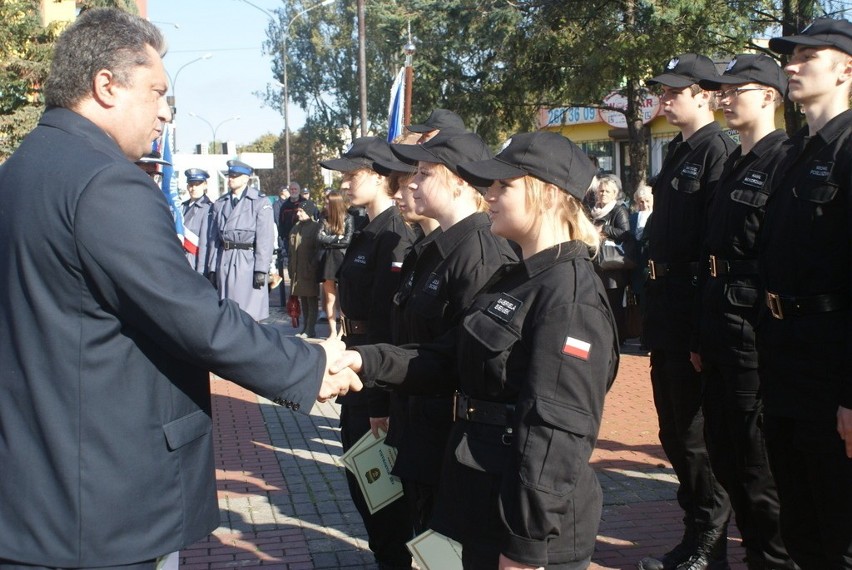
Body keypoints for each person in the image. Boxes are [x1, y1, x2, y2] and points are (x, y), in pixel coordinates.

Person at [0, 9, 359, 569]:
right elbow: (191, 313)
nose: (167, 110)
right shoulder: (105, 182)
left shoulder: (23, 169)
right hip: (101, 504)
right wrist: (307, 365)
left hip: (37, 492)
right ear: (106, 86)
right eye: (157, 91)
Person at [335, 131, 619, 569]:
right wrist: (364, 360)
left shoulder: (570, 296)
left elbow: (556, 434)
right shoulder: (519, 279)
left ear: (547, 195)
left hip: (524, 528)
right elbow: (447, 357)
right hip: (482, 498)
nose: (489, 194)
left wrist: (525, 546)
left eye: (504, 185)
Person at [385, 131, 519, 534]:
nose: (411, 182)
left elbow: (473, 361)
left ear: (461, 180)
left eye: (425, 172)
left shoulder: (481, 253)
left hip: (449, 441)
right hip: (422, 430)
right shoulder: (438, 248)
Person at [691, 54, 796, 570]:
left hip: (753, 337)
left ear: (770, 96)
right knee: (727, 458)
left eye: (738, 89)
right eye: (722, 90)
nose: (725, 97)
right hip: (718, 331)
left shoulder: (784, 159)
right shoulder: (734, 160)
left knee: (759, 472)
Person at [758, 18, 852, 569]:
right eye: (788, 56)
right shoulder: (797, 154)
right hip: (787, 360)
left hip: (832, 363)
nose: (791, 65)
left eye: (807, 56)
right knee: (799, 522)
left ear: (846, 69)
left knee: (840, 528)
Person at [639, 54, 736, 570]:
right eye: (664, 90)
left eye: (676, 91)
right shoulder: (677, 150)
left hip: (691, 307)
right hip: (665, 311)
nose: (666, 98)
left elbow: (711, 247)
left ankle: (711, 541)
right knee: (673, 432)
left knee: (697, 436)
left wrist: (703, 328)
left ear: (704, 94)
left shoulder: (717, 150)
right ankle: (694, 528)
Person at [319, 137, 417, 570]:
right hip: (358, 370)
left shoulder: (394, 233)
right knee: (366, 485)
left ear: (379, 176)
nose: (343, 180)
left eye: (351, 172)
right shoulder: (369, 229)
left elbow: (388, 322)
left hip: (375, 380)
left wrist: (379, 399)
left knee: (382, 495)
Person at [207, 159, 275, 321]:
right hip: (225, 258)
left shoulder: (259, 202)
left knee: (248, 312)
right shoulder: (220, 203)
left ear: (246, 179)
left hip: (247, 261)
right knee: (227, 311)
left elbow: (265, 239)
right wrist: (212, 268)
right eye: (229, 175)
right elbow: (213, 239)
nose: (230, 179)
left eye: (235, 176)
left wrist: (261, 270)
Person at [591, 174, 632, 344]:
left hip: (612, 268)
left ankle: (617, 339)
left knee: (614, 305)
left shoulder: (618, 210)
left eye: (607, 191)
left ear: (614, 193)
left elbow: (625, 234)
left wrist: (604, 229)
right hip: (595, 265)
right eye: (601, 191)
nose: (603, 194)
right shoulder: (592, 211)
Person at [317, 190, 353, 338]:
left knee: (344, 297)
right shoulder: (323, 218)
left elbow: (347, 240)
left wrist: (330, 239)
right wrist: (337, 237)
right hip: (328, 260)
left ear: (334, 203)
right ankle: (332, 331)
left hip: (343, 259)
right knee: (330, 297)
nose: (325, 204)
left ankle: (342, 331)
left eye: (327, 202)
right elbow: (319, 237)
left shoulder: (348, 218)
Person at [288, 201, 322, 338]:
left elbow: (318, 249)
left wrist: (312, 266)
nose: (298, 213)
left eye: (301, 211)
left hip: (309, 269)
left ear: (308, 212)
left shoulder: (315, 227)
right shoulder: (296, 227)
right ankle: (305, 327)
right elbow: (291, 249)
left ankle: (310, 329)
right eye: (298, 211)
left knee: (311, 300)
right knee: (303, 300)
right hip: (297, 270)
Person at [182, 168, 213, 274]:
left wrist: (202, 271)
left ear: (205, 185)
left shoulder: (209, 208)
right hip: (181, 259)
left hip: (195, 260)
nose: (193, 188)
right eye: (191, 184)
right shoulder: (182, 207)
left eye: (197, 184)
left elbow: (206, 243)